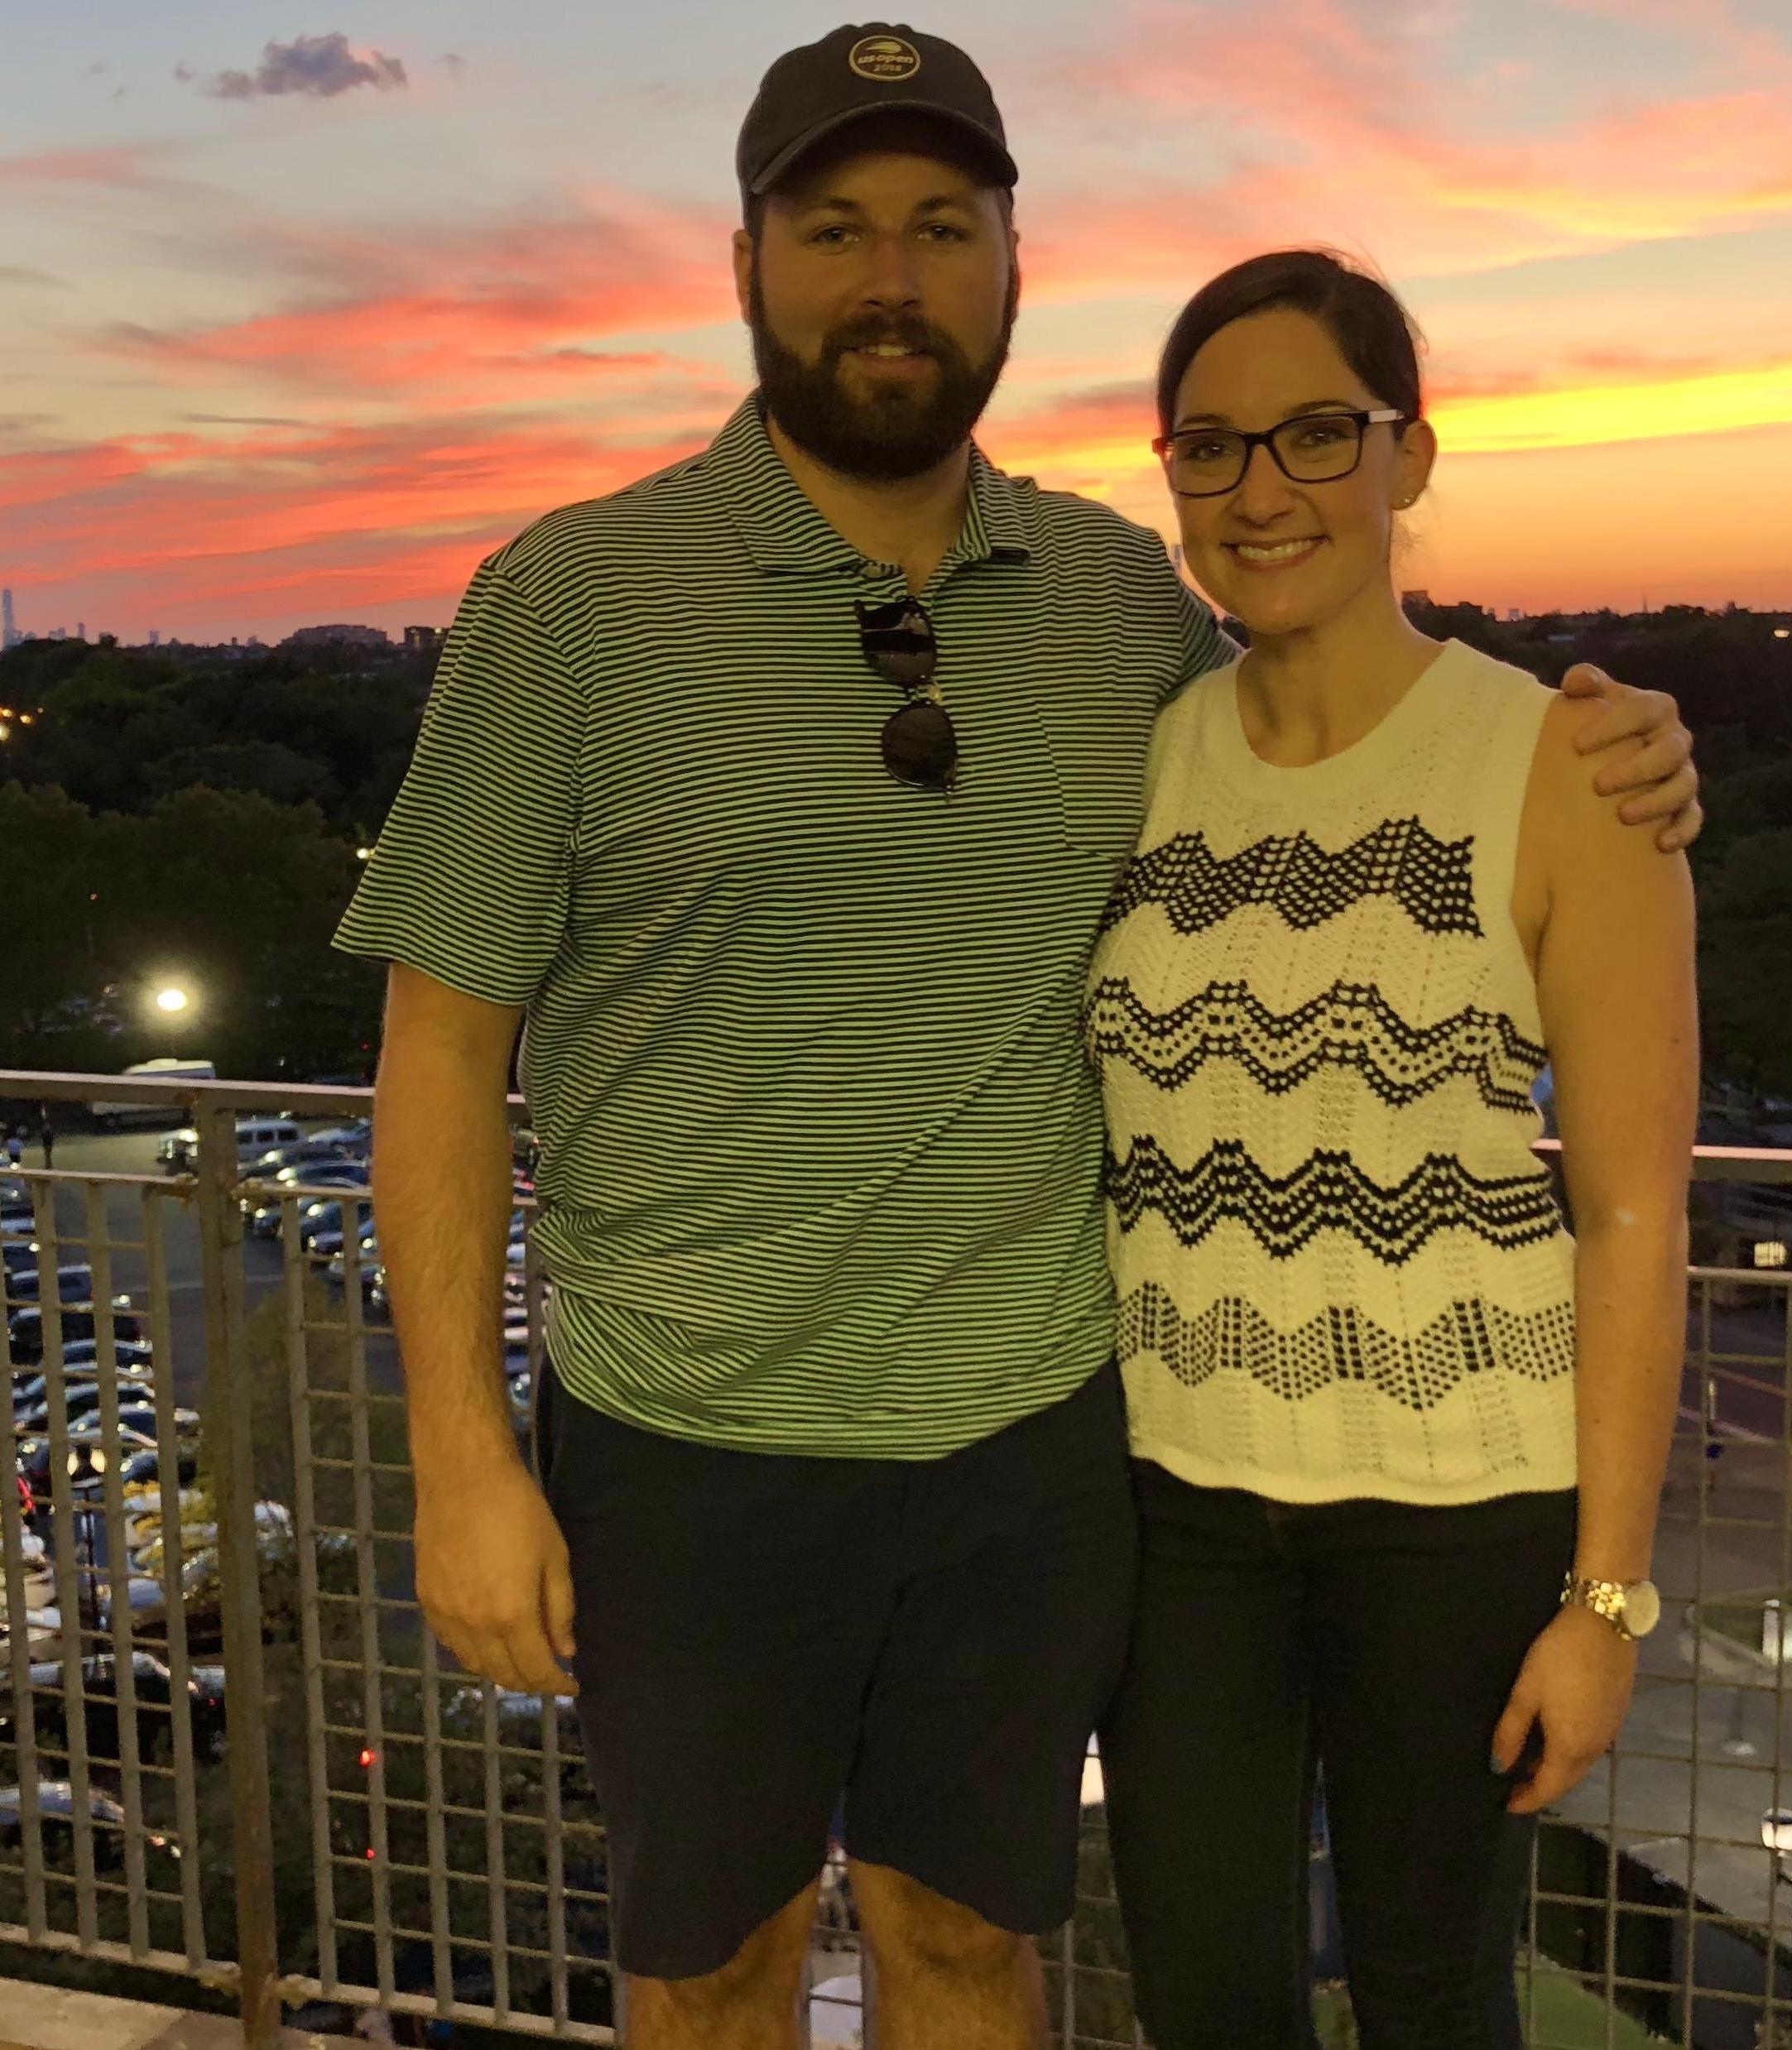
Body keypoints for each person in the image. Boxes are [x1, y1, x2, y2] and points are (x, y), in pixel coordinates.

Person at [334, 26, 1702, 2050]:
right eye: (835, 226)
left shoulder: (1115, 608)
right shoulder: (574, 600)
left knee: (972, 1953)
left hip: (1037, 1449)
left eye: (940, 226)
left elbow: (1341, 717)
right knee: (703, 1976)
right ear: (744, 266)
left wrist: (1639, 745)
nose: (889, 275)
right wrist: (461, 1452)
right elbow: (438, 1053)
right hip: (691, 1451)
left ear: (1010, 274)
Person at [1087, 249, 1698, 2050]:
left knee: (1435, 1992)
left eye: (1313, 435)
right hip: (1176, 1498)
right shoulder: (1141, 760)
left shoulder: (1560, 766)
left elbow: (1638, 1206)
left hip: (1459, 1510)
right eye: (1211, 447)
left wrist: (1605, 1601)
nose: (1261, 489)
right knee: (1203, 1988)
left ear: (1408, 460)